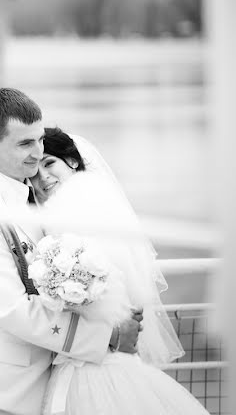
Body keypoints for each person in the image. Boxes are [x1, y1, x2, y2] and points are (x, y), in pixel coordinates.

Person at [0, 88, 141, 415]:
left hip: (56, 383)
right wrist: (107, 335)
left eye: (39, 140)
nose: (37, 154)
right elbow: (11, 308)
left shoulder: (35, 193)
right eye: (24, 143)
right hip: (4, 393)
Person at [30, 127, 208, 415]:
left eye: (49, 163)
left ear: (72, 161)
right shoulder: (78, 201)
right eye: (34, 172)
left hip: (99, 344)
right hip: (92, 341)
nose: (42, 177)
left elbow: (113, 272)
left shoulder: (80, 200)